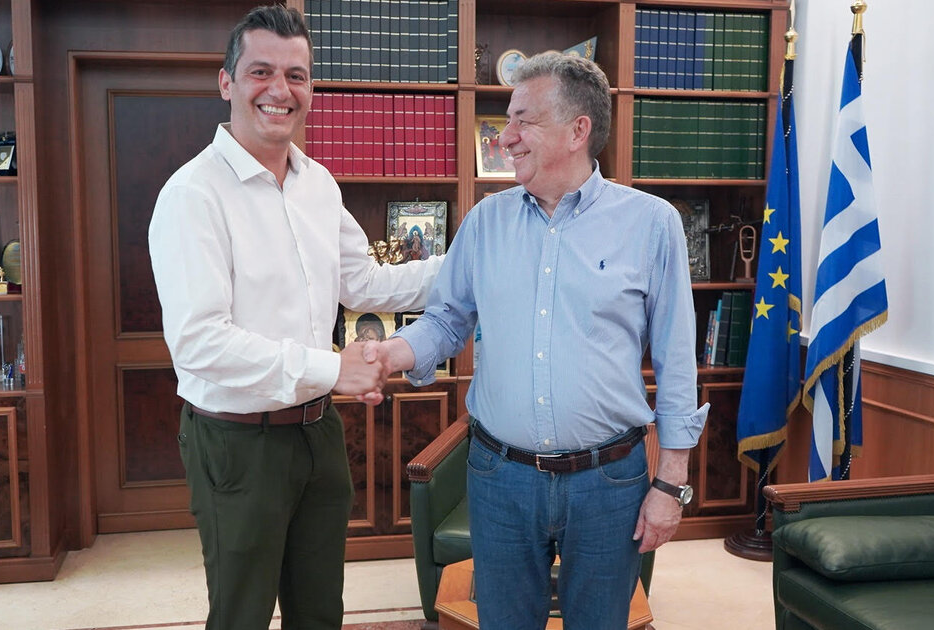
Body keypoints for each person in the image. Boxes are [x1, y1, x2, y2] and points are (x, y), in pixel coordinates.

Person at [378, 52, 708, 629]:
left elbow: (677, 362)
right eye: (508, 121)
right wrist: (390, 353)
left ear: (578, 130)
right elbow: (446, 321)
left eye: (522, 120)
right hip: (500, 478)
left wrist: (670, 484)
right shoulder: (485, 222)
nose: (504, 137)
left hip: (610, 481)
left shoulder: (652, 224)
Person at [147, 6, 442, 630]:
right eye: (261, 72)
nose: (280, 90)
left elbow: (365, 282)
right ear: (226, 82)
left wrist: (470, 263)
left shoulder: (318, 183)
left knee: (320, 612)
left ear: (310, 88)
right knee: (242, 615)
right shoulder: (192, 195)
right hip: (236, 441)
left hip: (318, 433)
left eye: (296, 76)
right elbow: (199, 344)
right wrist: (334, 369)